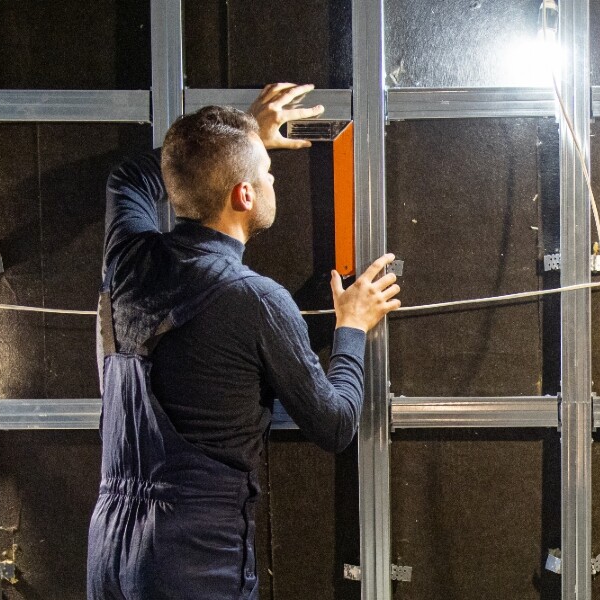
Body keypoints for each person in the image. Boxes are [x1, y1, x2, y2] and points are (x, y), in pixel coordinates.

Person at [87, 83, 399, 600]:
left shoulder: (128, 257)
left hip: (109, 548)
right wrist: (352, 327)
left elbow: (130, 177)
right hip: (193, 557)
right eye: (267, 173)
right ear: (245, 195)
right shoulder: (256, 299)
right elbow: (336, 423)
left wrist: (243, 136)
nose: (273, 178)